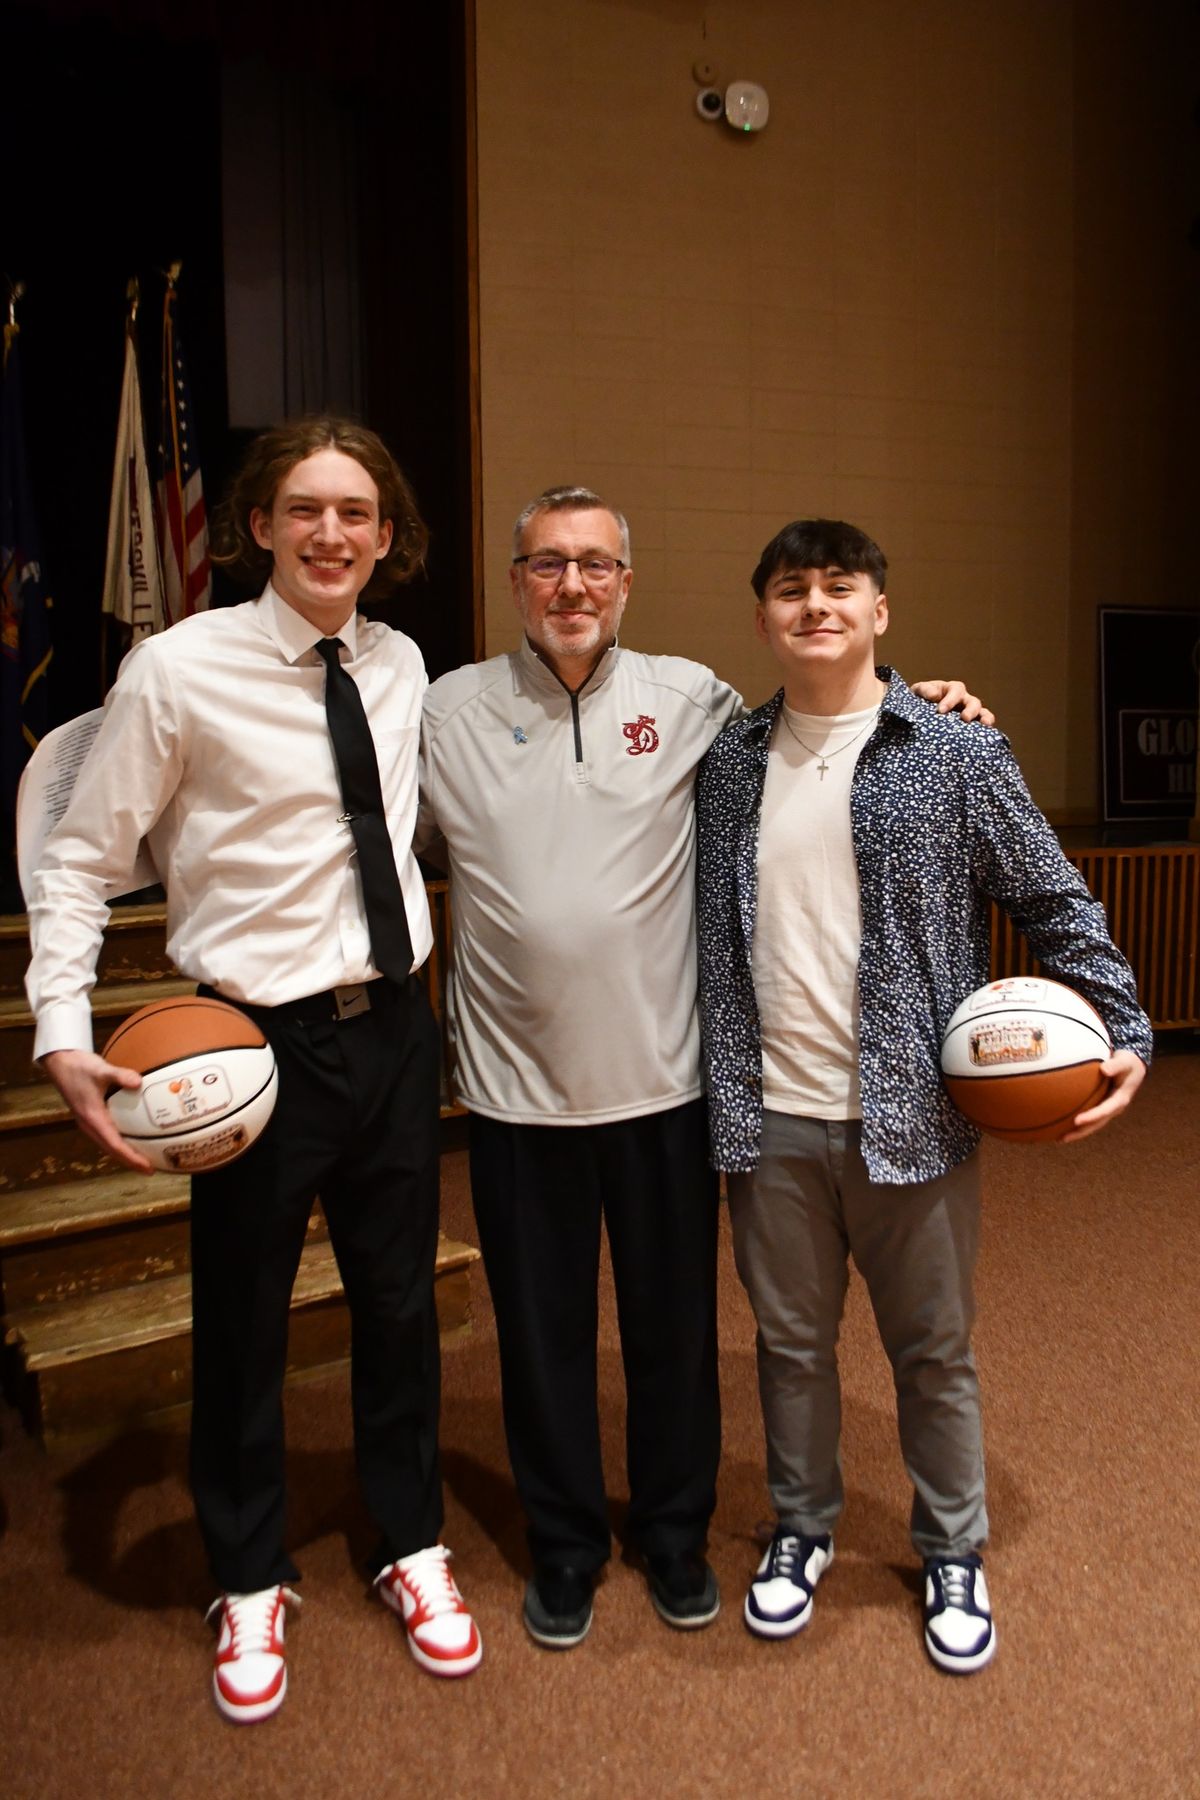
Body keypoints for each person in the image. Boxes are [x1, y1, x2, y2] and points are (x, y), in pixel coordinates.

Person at [417, 485, 985, 1650]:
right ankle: (566, 1547)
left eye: (595, 565)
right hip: (515, 1096)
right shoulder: (443, 710)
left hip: (669, 1088)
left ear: (626, 582)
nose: (571, 585)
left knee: (673, 1336)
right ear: (515, 580)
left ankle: (673, 1536)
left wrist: (935, 700)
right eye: (546, 565)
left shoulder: (696, 705)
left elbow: (830, 714)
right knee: (541, 1340)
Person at [24, 418, 481, 1723]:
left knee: (401, 1304)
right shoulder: (177, 671)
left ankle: (408, 1543)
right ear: (257, 526)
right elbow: (77, 859)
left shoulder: (398, 662)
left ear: (387, 536)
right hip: (253, 1044)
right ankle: (245, 1570)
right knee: (244, 1317)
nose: (331, 532)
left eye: (356, 512)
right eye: (304, 509)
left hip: (396, 1027)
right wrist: (63, 1026)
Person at [695, 517, 1151, 1674]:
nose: (816, 607)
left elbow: (1054, 900)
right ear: (763, 619)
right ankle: (802, 1528)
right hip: (769, 1116)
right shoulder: (728, 762)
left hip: (914, 1119)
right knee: (790, 1349)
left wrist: (1127, 1026)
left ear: (880, 611)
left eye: (839, 588)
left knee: (933, 1353)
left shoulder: (952, 751)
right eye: (791, 591)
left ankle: (953, 1547)